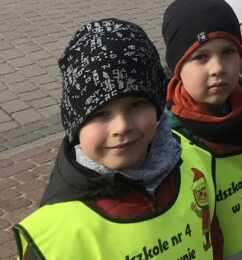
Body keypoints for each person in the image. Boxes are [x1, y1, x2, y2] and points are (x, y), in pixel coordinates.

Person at [13, 19, 222, 260]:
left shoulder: (195, 162)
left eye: (136, 104)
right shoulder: (55, 238)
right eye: (101, 113)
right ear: (74, 124)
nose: (122, 126)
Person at [162, 0, 242, 260]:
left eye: (228, 52)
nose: (218, 68)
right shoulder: (167, 141)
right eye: (201, 57)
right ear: (178, 66)